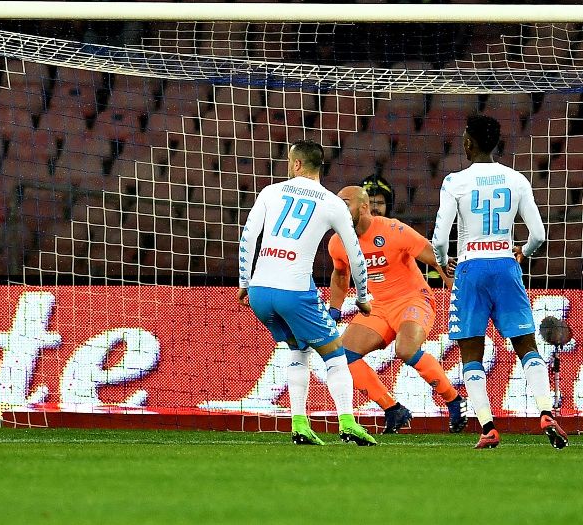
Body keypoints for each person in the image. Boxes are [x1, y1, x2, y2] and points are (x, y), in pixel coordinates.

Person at [431, 114, 567, 449]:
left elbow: (439, 238)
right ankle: (546, 411)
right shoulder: (516, 179)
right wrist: (523, 251)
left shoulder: (454, 182)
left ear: (468, 143)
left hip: (470, 269)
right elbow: (538, 235)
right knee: (526, 344)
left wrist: (442, 262)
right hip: (506, 265)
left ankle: (488, 427)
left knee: (470, 350)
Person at [238, 140, 376, 446]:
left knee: (298, 350)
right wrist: (362, 297)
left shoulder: (270, 192)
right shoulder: (332, 203)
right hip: (294, 292)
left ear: (297, 164)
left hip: (260, 292)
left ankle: (299, 423)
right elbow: (355, 256)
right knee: (335, 354)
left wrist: (245, 282)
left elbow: (248, 237)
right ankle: (348, 423)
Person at [328, 186, 467, 433]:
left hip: (414, 300)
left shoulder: (393, 230)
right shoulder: (338, 242)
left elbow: (437, 260)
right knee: (343, 356)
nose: (339, 208)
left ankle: (454, 400)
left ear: (364, 207)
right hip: (380, 305)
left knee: (405, 349)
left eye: (345, 203)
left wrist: (458, 299)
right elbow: (340, 275)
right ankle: (393, 409)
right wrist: (334, 310)